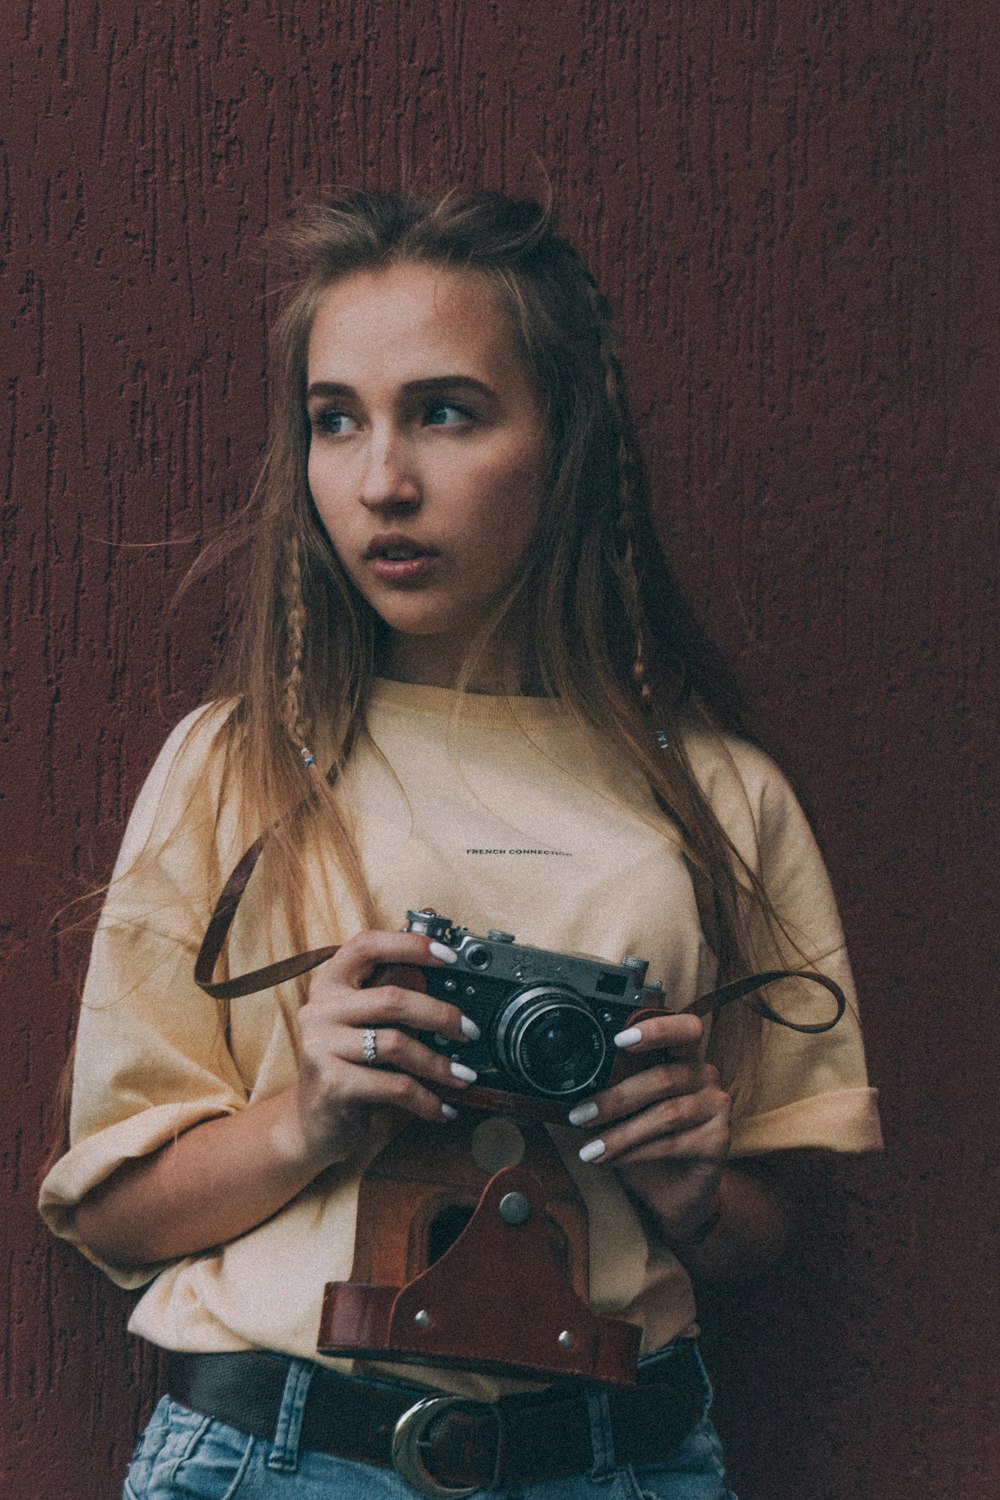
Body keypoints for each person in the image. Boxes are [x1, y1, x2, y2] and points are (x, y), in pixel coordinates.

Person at [39, 188, 882, 1500]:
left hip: (617, 1456)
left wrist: (689, 1183)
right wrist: (310, 1116)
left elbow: (764, 1235)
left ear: (567, 437)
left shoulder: (719, 796)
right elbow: (110, 1216)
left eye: (445, 411)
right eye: (335, 420)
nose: (381, 480)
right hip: (277, 1451)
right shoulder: (237, 763)